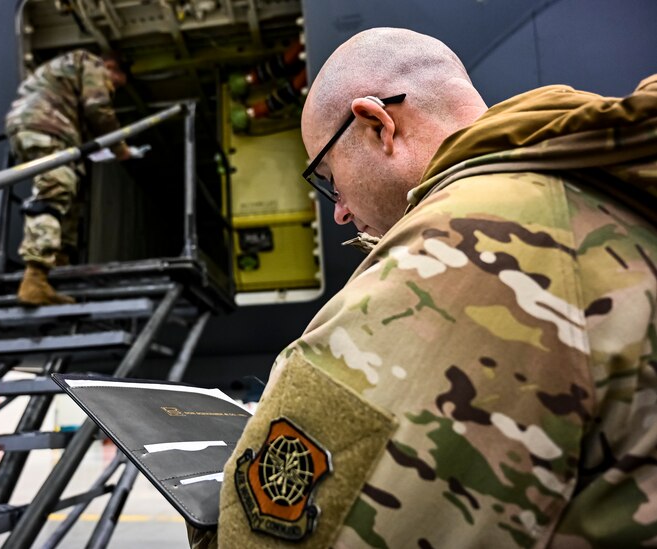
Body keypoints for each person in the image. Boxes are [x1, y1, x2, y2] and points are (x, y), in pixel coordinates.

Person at [191, 28, 657, 547]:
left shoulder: (460, 247)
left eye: (329, 178)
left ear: (377, 125)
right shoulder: (601, 184)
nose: (340, 211)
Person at [5, 49, 132, 306]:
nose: (112, 89)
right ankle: (35, 280)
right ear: (111, 66)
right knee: (54, 194)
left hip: (32, 127)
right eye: (114, 84)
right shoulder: (91, 62)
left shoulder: (63, 72)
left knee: (68, 196)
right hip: (49, 128)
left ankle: (54, 273)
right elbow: (97, 107)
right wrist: (121, 148)